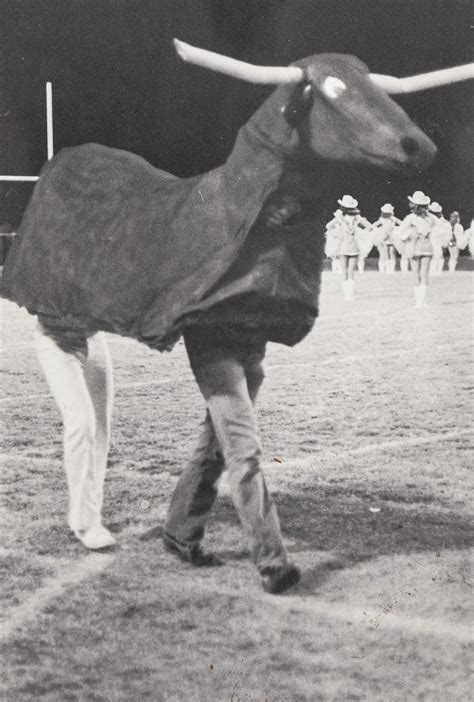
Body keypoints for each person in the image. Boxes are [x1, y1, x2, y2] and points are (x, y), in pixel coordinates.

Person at [161, 191, 305, 595]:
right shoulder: (217, 242)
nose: (282, 214)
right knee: (244, 450)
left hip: (250, 348)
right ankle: (272, 562)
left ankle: (178, 530)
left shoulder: (270, 245)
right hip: (214, 350)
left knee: (215, 445)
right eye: (277, 209)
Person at [34, 318, 116, 550]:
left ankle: (91, 512)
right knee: (81, 422)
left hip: (93, 337)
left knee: (101, 428)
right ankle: (85, 523)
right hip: (55, 340)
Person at [325, 195, 372, 300]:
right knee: (351, 271)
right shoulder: (356, 218)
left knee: (345, 271)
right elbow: (369, 227)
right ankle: (350, 295)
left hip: (343, 246)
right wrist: (359, 234)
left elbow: (328, 226)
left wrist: (336, 234)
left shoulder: (339, 218)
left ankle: (347, 295)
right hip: (354, 246)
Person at [398, 190, 436, 308]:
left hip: (414, 247)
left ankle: (418, 302)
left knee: (416, 274)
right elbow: (439, 229)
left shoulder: (410, 218)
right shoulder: (430, 218)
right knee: (424, 274)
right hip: (426, 247)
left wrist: (410, 235)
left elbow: (401, 233)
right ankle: (421, 302)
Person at [372, 204, 401, 272]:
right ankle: (386, 269)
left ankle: (391, 269)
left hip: (392, 237)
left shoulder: (393, 219)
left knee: (392, 252)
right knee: (385, 253)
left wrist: (395, 229)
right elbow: (374, 224)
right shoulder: (382, 219)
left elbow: (401, 223)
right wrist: (380, 230)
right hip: (384, 237)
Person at [428, 202, 451, 275]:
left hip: (438, 238)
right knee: (436, 254)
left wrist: (446, 240)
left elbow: (447, 230)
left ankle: (437, 271)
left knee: (437, 254)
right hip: (434, 237)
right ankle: (435, 270)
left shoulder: (442, 221)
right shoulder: (434, 219)